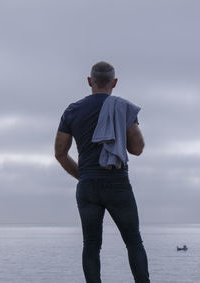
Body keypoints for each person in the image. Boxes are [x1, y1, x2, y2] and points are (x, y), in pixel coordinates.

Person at [54, 61, 150, 283]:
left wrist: (84, 175)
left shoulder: (72, 111)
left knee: (91, 245)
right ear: (114, 83)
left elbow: (60, 153)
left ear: (90, 81)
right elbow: (137, 149)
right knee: (134, 242)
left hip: (87, 186)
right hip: (117, 184)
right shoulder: (122, 108)